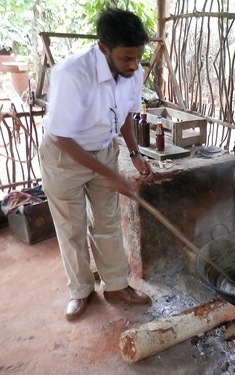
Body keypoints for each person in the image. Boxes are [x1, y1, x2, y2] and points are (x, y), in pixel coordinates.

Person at [40, 8, 153, 320]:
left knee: (106, 222)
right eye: (126, 58)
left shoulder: (133, 71)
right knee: (71, 227)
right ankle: (81, 291)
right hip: (64, 157)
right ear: (104, 47)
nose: (134, 65)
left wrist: (134, 153)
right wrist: (112, 175)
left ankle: (116, 285)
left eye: (138, 57)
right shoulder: (72, 73)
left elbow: (127, 114)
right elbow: (61, 136)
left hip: (103, 150)